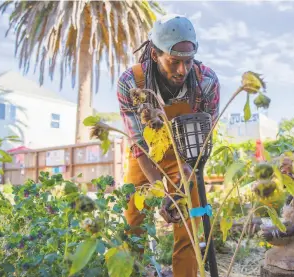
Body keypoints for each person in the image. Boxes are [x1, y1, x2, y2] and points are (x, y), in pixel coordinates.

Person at [116, 14, 220, 277]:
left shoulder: (206, 82)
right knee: (134, 220)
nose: (182, 70)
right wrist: (162, 192)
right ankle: (135, 272)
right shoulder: (131, 84)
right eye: (174, 62)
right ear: (154, 54)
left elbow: (204, 140)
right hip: (145, 159)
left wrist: (183, 179)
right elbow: (138, 145)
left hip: (186, 156)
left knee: (189, 222)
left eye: (188, 61)